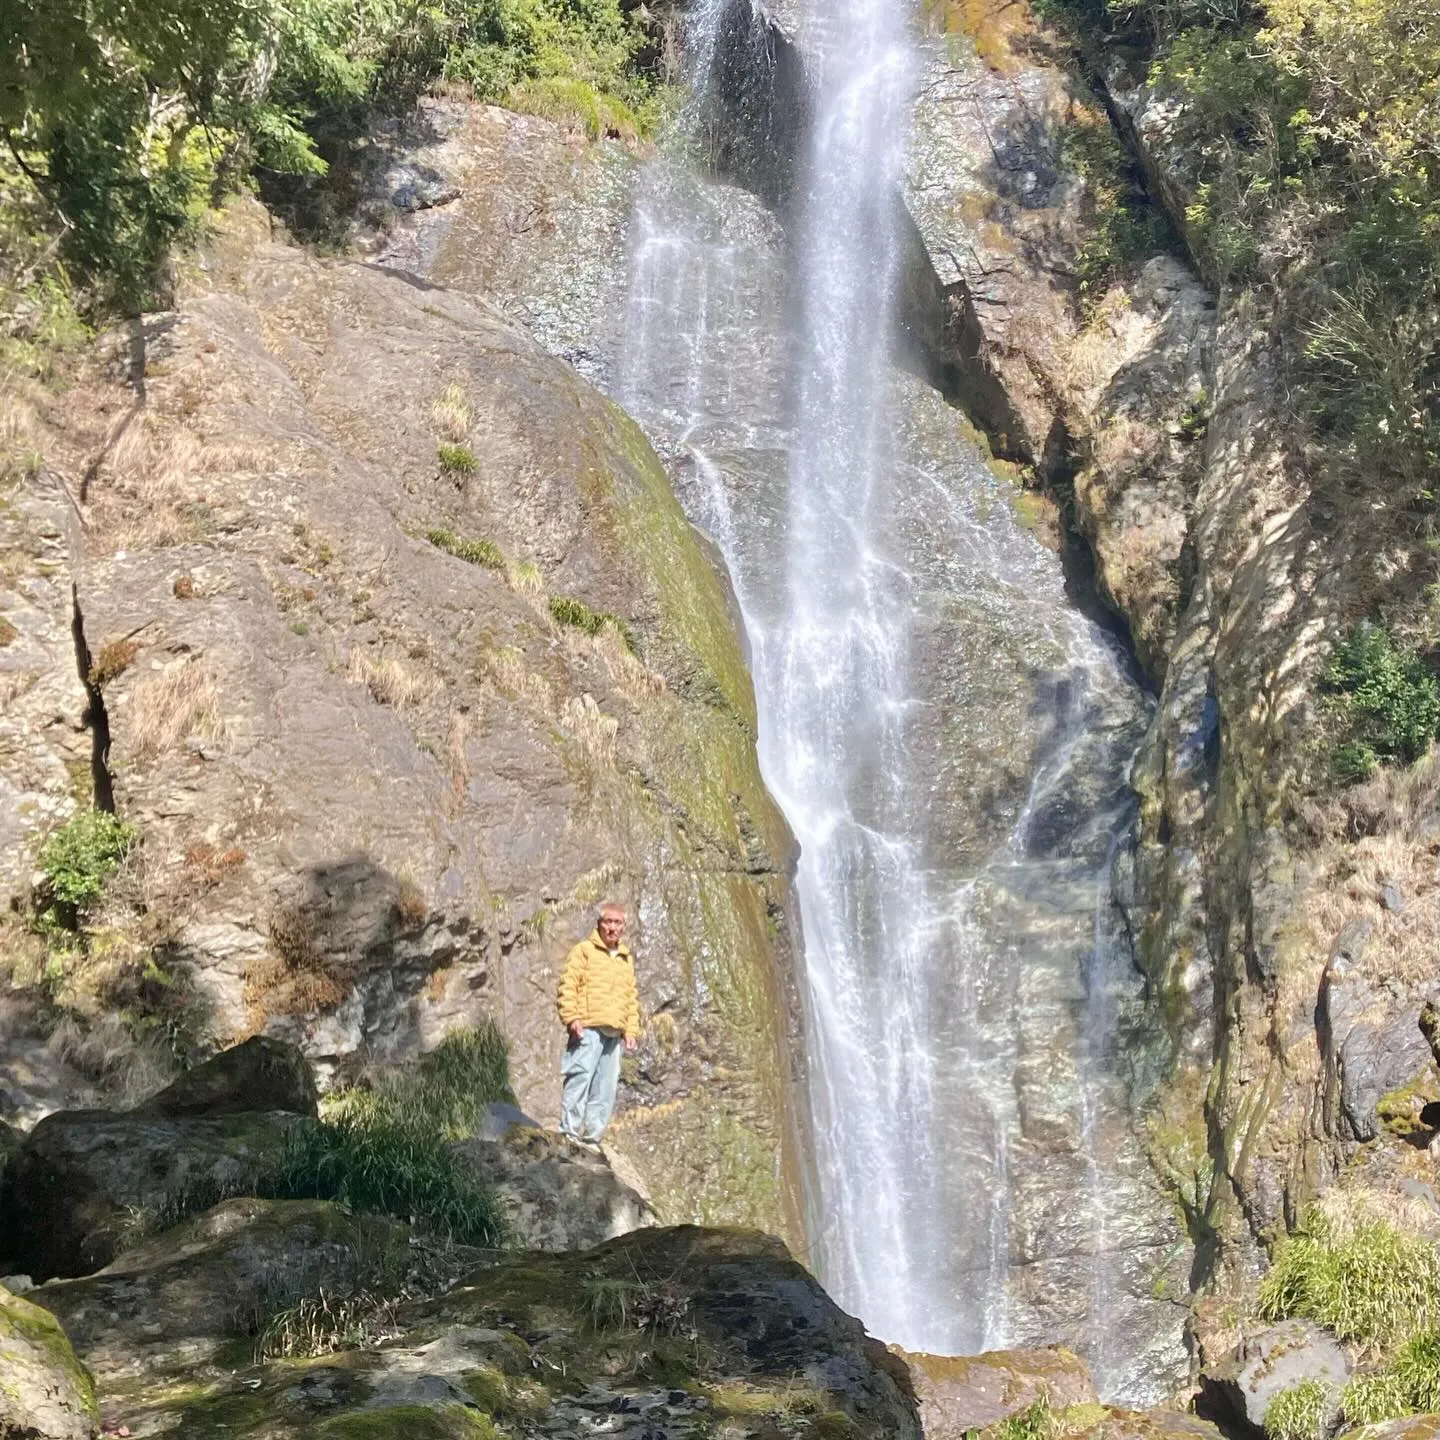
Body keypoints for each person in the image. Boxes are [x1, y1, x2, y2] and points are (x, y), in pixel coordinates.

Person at [556, 901, 640, 1150]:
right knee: (579, 1078)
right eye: (608, 921)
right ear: (599, 924)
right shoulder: (584, 951)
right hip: (588, 1027)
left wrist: (631, 1030)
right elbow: (567, 985)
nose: (612, 927)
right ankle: (569, 1133)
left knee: (605, 1088)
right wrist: (571, 1018)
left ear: (624, 927)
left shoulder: (625, 958)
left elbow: (631, 997)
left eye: (617, 923)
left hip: (614, 1033)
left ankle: (592, 1138)